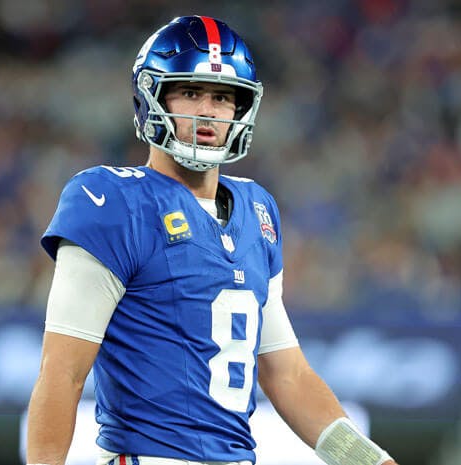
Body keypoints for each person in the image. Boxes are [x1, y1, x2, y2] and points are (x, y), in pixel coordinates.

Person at [25, 15, 399, 465]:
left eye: (223, 97)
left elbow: (287, 375)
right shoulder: (113, 202)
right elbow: (62, 372)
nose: (207, 111)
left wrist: (369, 460)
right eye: (190, 92)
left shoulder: (256, 208)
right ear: (152, 96)